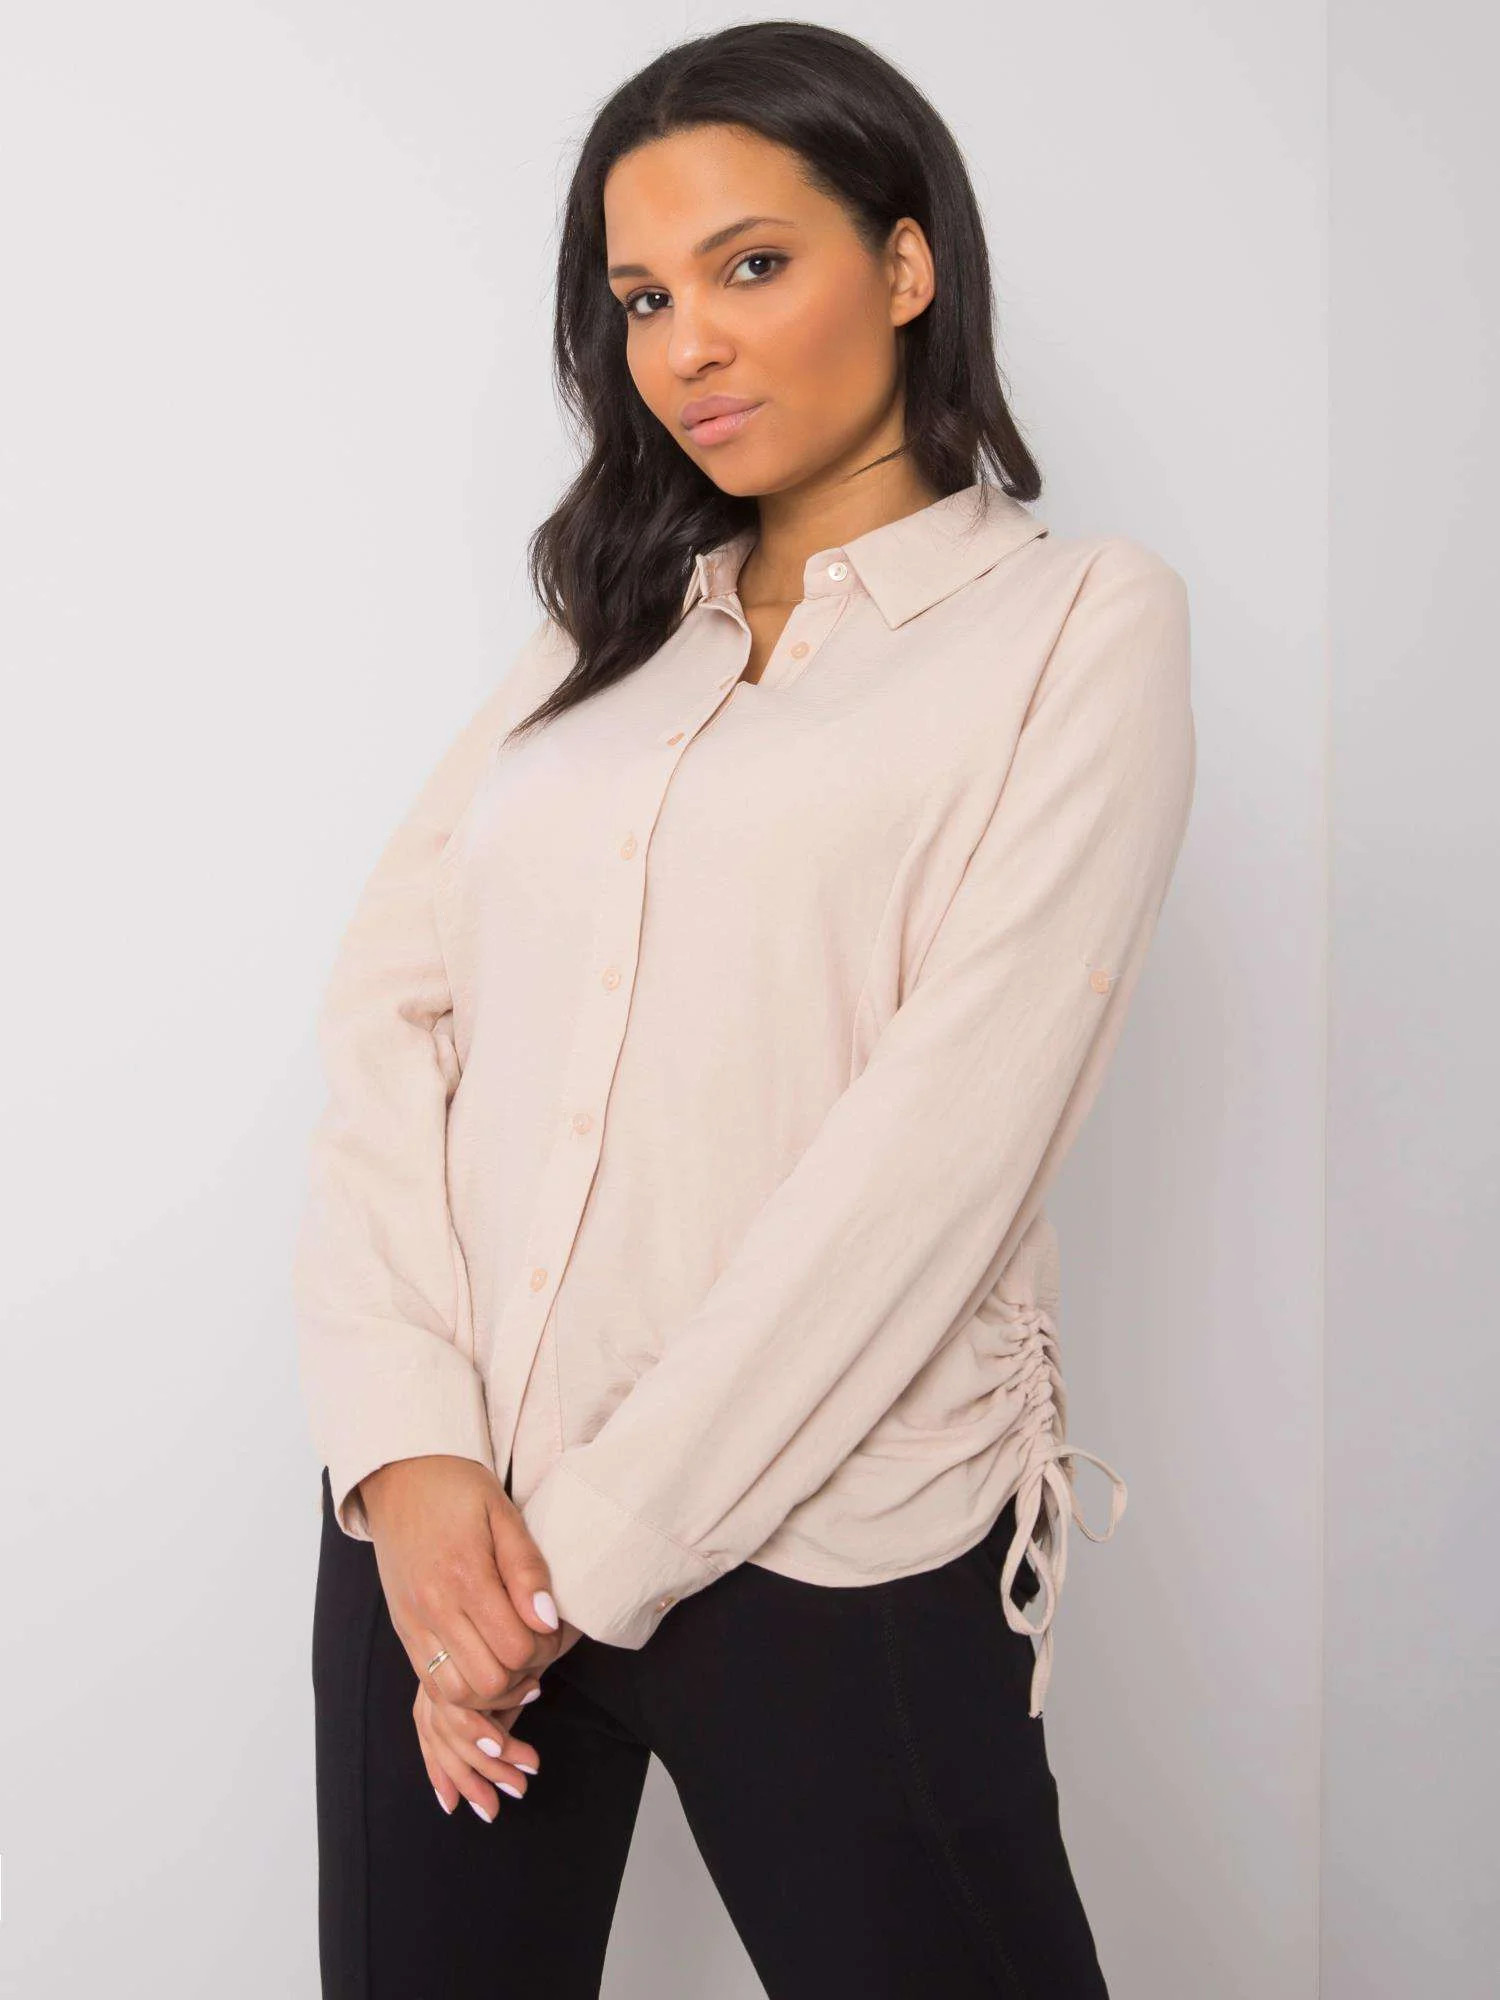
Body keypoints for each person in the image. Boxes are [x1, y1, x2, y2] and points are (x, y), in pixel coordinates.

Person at [295, 21, 1196, 1999]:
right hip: (446, 1544)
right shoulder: (601, 629)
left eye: (751, 265)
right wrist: (406, 1453)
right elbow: (388, 1018)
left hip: (828, 1542)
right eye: (640, 298)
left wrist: (572, 1568)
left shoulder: (1075, 627)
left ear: (907, 260)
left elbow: (937, 1156)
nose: (685, 343)